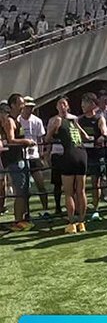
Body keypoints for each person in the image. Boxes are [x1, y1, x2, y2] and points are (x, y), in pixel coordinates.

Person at [46, 97, 91, 233]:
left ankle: (72, 223)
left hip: (69, 155)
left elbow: (47, 138)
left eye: (63, 103)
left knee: (69, 192)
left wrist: (54, 131)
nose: (62, 106)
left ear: (67, 106)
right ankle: (82, 221)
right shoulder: (74, 120)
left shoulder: (57, 120)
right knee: (81, 191)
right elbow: (86, 137)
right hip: (82, 154)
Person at [3, 93, 37, 230]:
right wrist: (26, 141)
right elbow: (11, 140)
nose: (23, 106)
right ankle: (17, 220)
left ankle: (22, 218)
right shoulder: (9, 121)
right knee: (20, 190)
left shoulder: (17, 120)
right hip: (14, 159)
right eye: (21, 104)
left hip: (21, 157)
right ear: (13, 105)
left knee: (25, 189)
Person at [18, 97, 49, 217]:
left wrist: (42, 155)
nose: (29, 109)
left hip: (34, 155)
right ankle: (26, 212)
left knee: (41, 184)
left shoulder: (37, 121)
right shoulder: (17, 120)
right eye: (27, 107)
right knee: (24, 187)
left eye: (31, 107)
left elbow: (40, 139)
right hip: (22, 156)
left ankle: (45, 210)